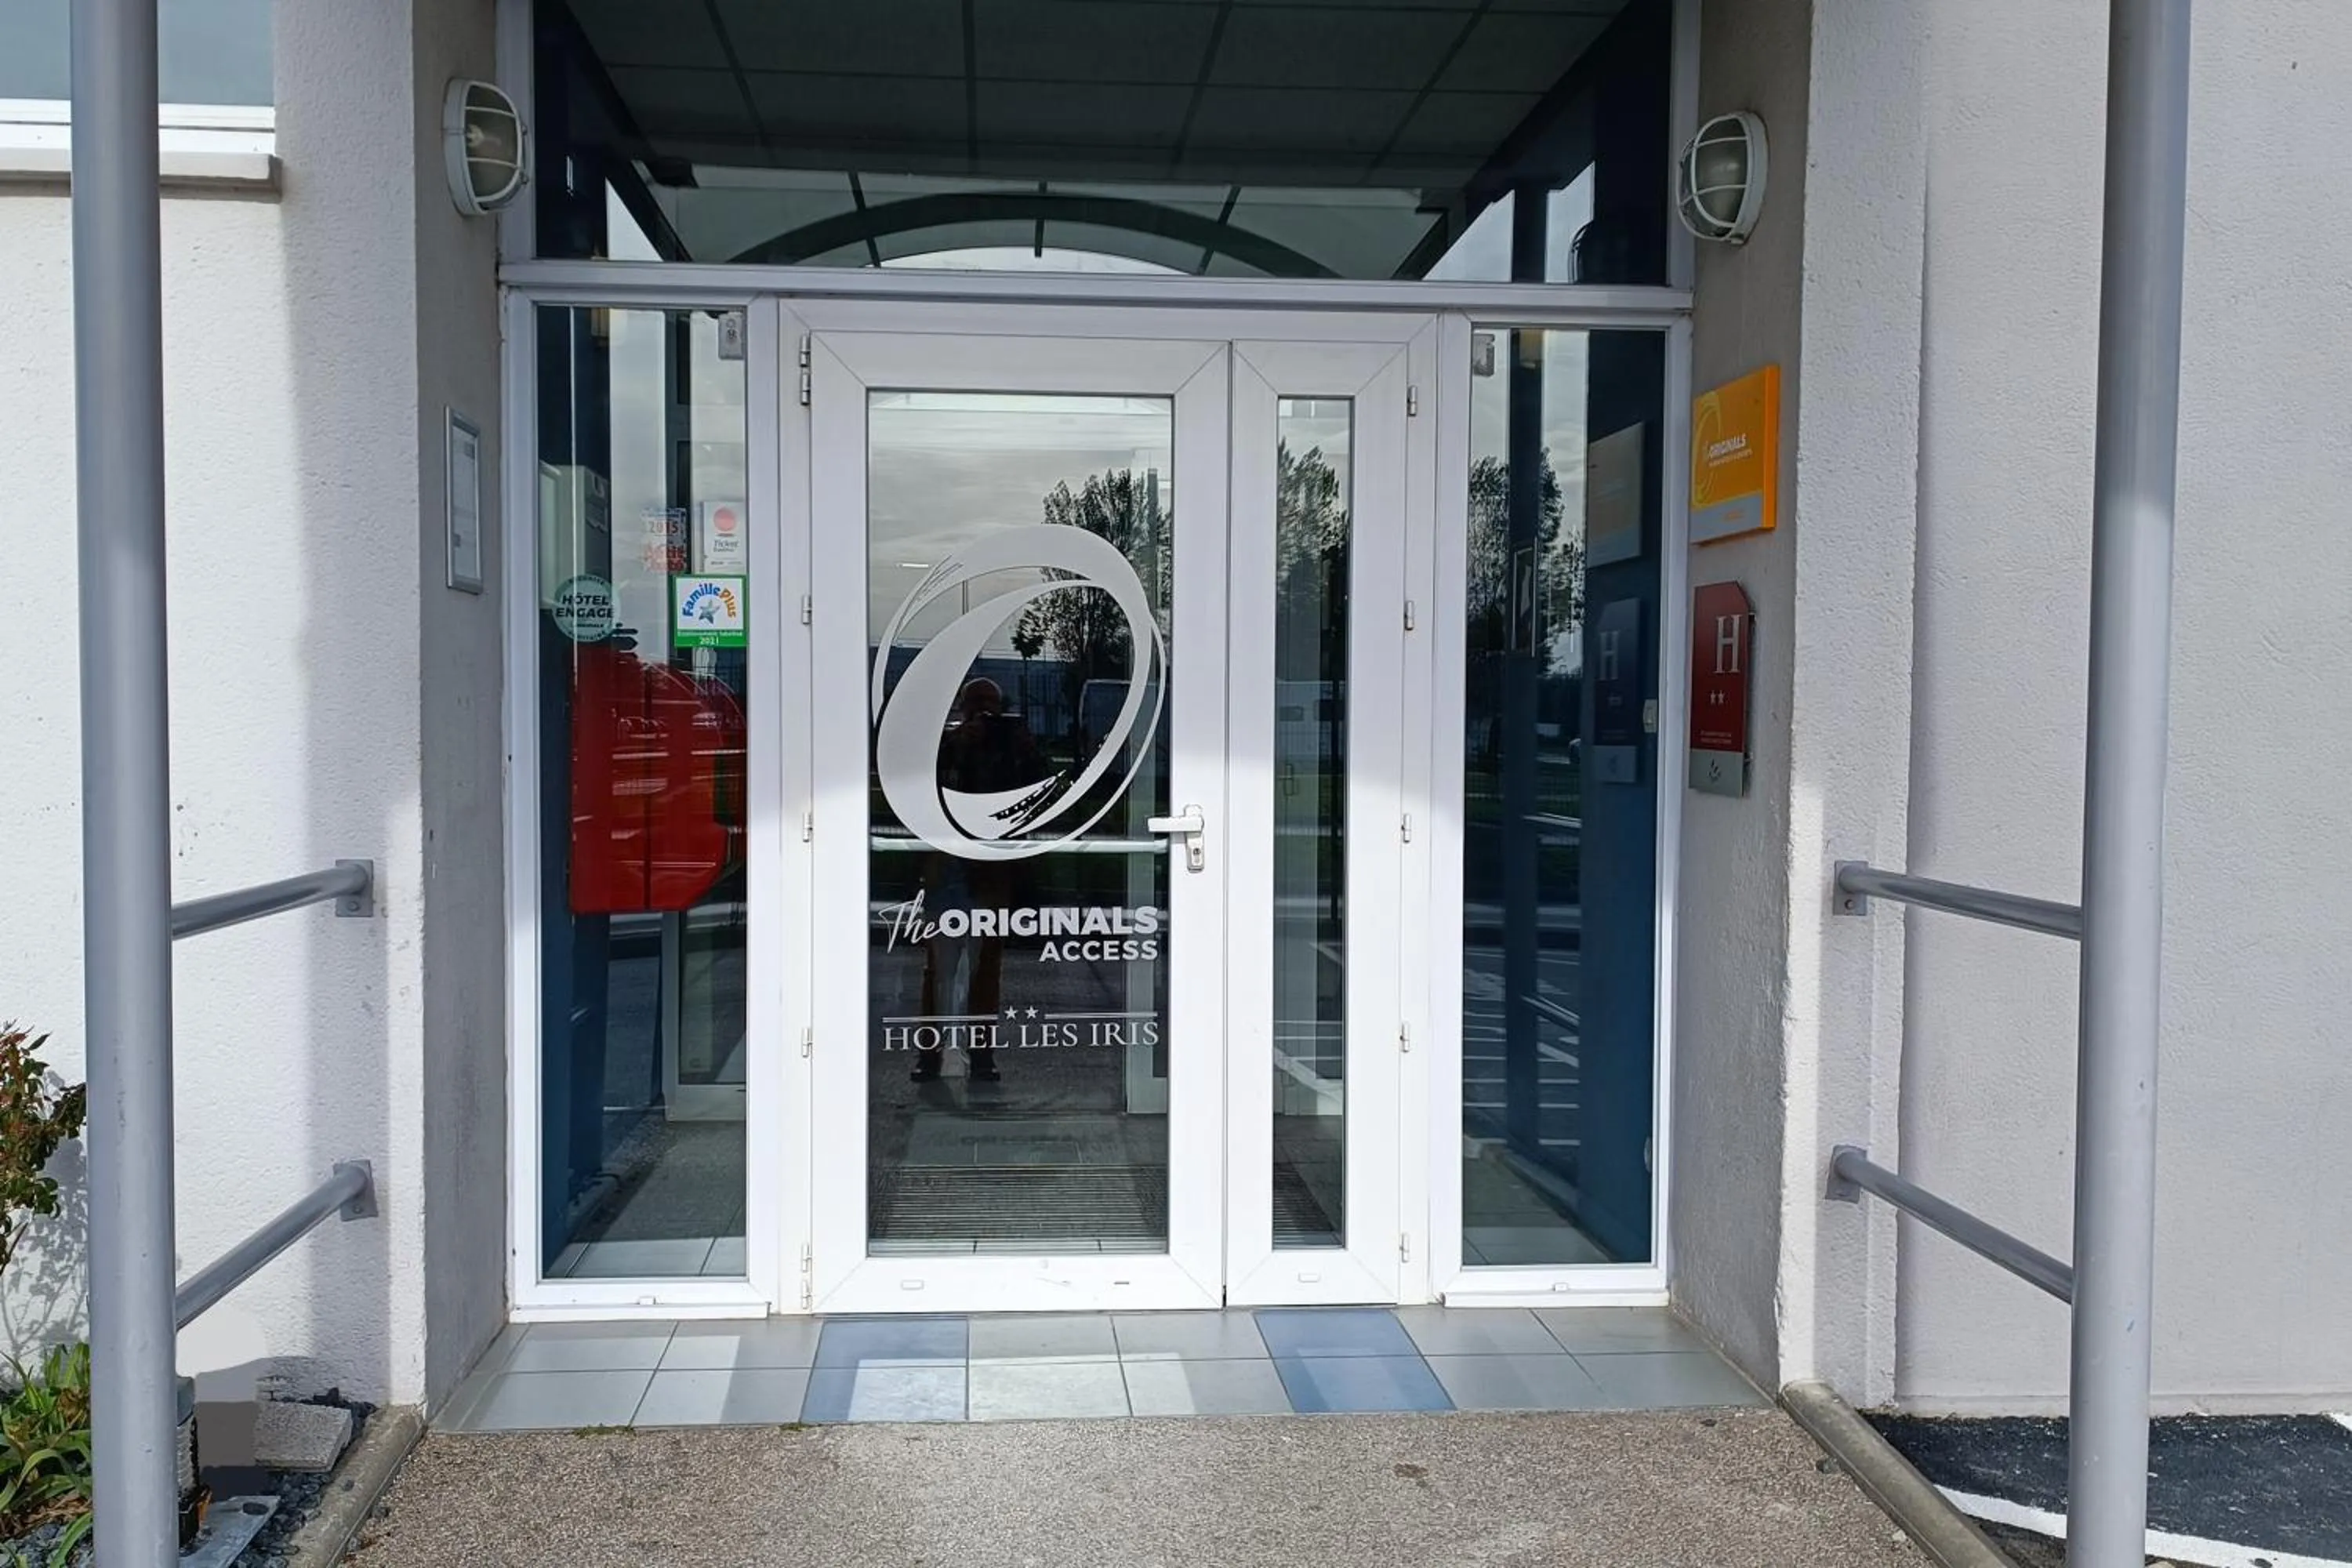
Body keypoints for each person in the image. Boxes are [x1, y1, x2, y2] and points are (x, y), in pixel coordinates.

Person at [910, 678, 1041, 1083]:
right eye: (976, 705)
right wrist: (958, 743)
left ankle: (981, 1051)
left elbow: (1038, 785)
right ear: (962, 709)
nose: (984, 713)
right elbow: (925, 787)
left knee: (987, 965)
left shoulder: (1011, 744)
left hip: (990, 866)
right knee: (938, 966)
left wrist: (1019, 745)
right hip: (949, 864)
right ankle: (929, 1054)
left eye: (991, 705)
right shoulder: (948, 744)